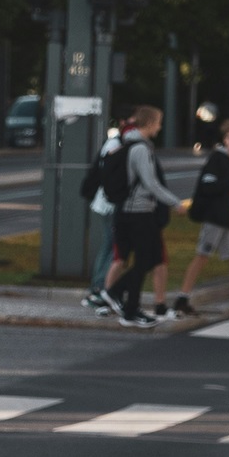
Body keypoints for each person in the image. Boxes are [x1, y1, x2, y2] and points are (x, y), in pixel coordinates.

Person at [102, 105, 187, 327]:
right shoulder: (140, 148)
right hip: (138, 213)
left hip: (133, 213)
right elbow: (150, 183)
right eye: (158, 122)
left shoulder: (133, 144)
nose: (160, 127)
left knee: (149, 259)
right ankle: (118, 295)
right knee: (146, 260)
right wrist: (175, 202)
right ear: (149, 124)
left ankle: (130, 309)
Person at [172, 119, 229, 322]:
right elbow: (208, 187)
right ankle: (182, 299)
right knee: (202, 256)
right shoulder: (217, 159)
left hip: (228, 220)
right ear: (225, 139)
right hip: (214, 219)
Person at [83, 122, 127, 315]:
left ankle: (98, 287)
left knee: (109, 245)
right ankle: (100, 289)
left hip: (106, 202)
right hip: (109, 203)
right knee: (113, 247)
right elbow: (108, 174)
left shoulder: (114, 143)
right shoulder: (114, 145)